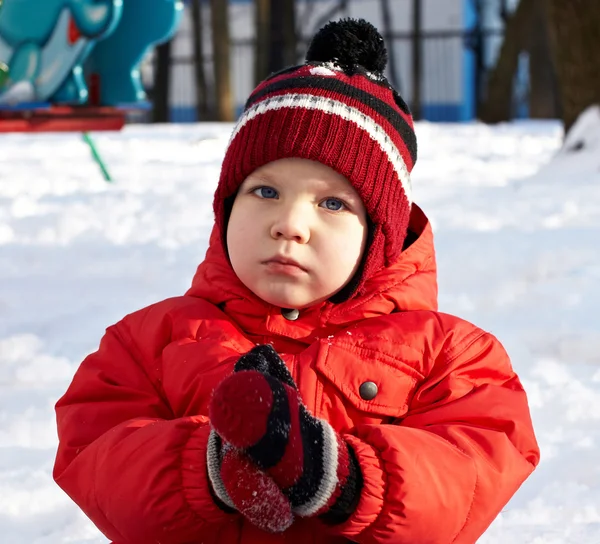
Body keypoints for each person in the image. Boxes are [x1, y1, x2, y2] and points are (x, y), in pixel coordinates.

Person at [53, 18, 540, 544]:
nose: (290, 223)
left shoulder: (451, 356)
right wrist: (213, 465)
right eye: (264, 191)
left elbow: (466, 478)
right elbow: (98, 458)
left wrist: (337, 477)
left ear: (378, 237)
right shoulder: (149, 344)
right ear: (226, 207)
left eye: (332, 203)